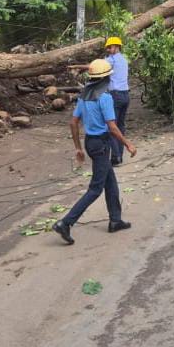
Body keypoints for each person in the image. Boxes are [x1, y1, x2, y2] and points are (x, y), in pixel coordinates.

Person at [53, 59, 137, 245]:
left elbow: (73, 122)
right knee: (95, 188)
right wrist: (127, 144)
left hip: (91, 143)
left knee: (111, 182)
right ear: (106, 78)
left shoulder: (84, 96)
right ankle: (66, 222)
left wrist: (78, 147)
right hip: (101, 144)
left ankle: (115, 220)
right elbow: (113, 127)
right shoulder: (105, 98)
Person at [105, 37, 131, 166]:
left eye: (110, 47)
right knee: (120, 126)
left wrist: (77, 66)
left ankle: (115, 157)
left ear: (116, 46)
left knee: (112, 127)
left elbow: (97, 67)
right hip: (126, 95)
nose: (108, 50)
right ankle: (119, 155)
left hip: (115, 95)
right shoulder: (124, 60)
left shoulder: (112, 60)